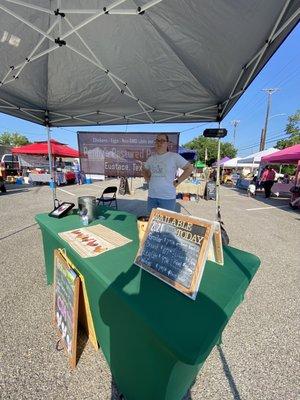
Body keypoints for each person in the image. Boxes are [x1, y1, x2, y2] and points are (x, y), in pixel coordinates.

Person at [142, 134, 193, 213]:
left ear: (167, 143)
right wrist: (147, 179)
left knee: (165, 223)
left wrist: (177, 181)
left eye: (162, 141)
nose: (159, 143)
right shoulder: (151, 158)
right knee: (151, 221)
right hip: (152, 196)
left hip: (167, 197)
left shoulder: (174, 157)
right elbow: (144, 169)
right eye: (157, 141)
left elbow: (189, 168)